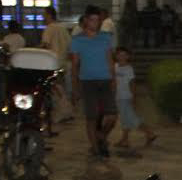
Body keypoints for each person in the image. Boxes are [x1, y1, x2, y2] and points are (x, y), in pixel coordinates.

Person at [70, 6, 117, 157]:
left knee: (112, 116)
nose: (95, 23)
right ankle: (96, 148)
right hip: (87, 81)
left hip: (105, 80)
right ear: (86, 20)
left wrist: (113, 79)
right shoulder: (77, 40)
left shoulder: (106, 37)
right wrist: (75, 88)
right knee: (92, 117)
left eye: (98, 20)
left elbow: (110, 60)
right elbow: (75, 65)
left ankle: (101, 136)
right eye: (92, 20)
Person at [113, 47, 156, 148]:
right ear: (116, 56)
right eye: (120, 55)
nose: (122, 57)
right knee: (125, 119)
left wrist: (133, 97)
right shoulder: (114, 66)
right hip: (118, 96)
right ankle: (125, 140)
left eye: (124, 55)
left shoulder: (129, 69)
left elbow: (132, 84)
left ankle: (150, 133)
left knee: (132, 118)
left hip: (126, 97)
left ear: (128, 57)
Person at [40, 6, 74, 122]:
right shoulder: (63, 28)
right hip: (63, 63)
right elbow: (70, 46)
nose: (43, 17)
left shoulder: (49, 29)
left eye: (44, 15)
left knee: (55, 90)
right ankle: (67, 111)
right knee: (61, 88)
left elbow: (45, 45)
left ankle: (63, 112)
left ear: (49, 15)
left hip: (51, 64)